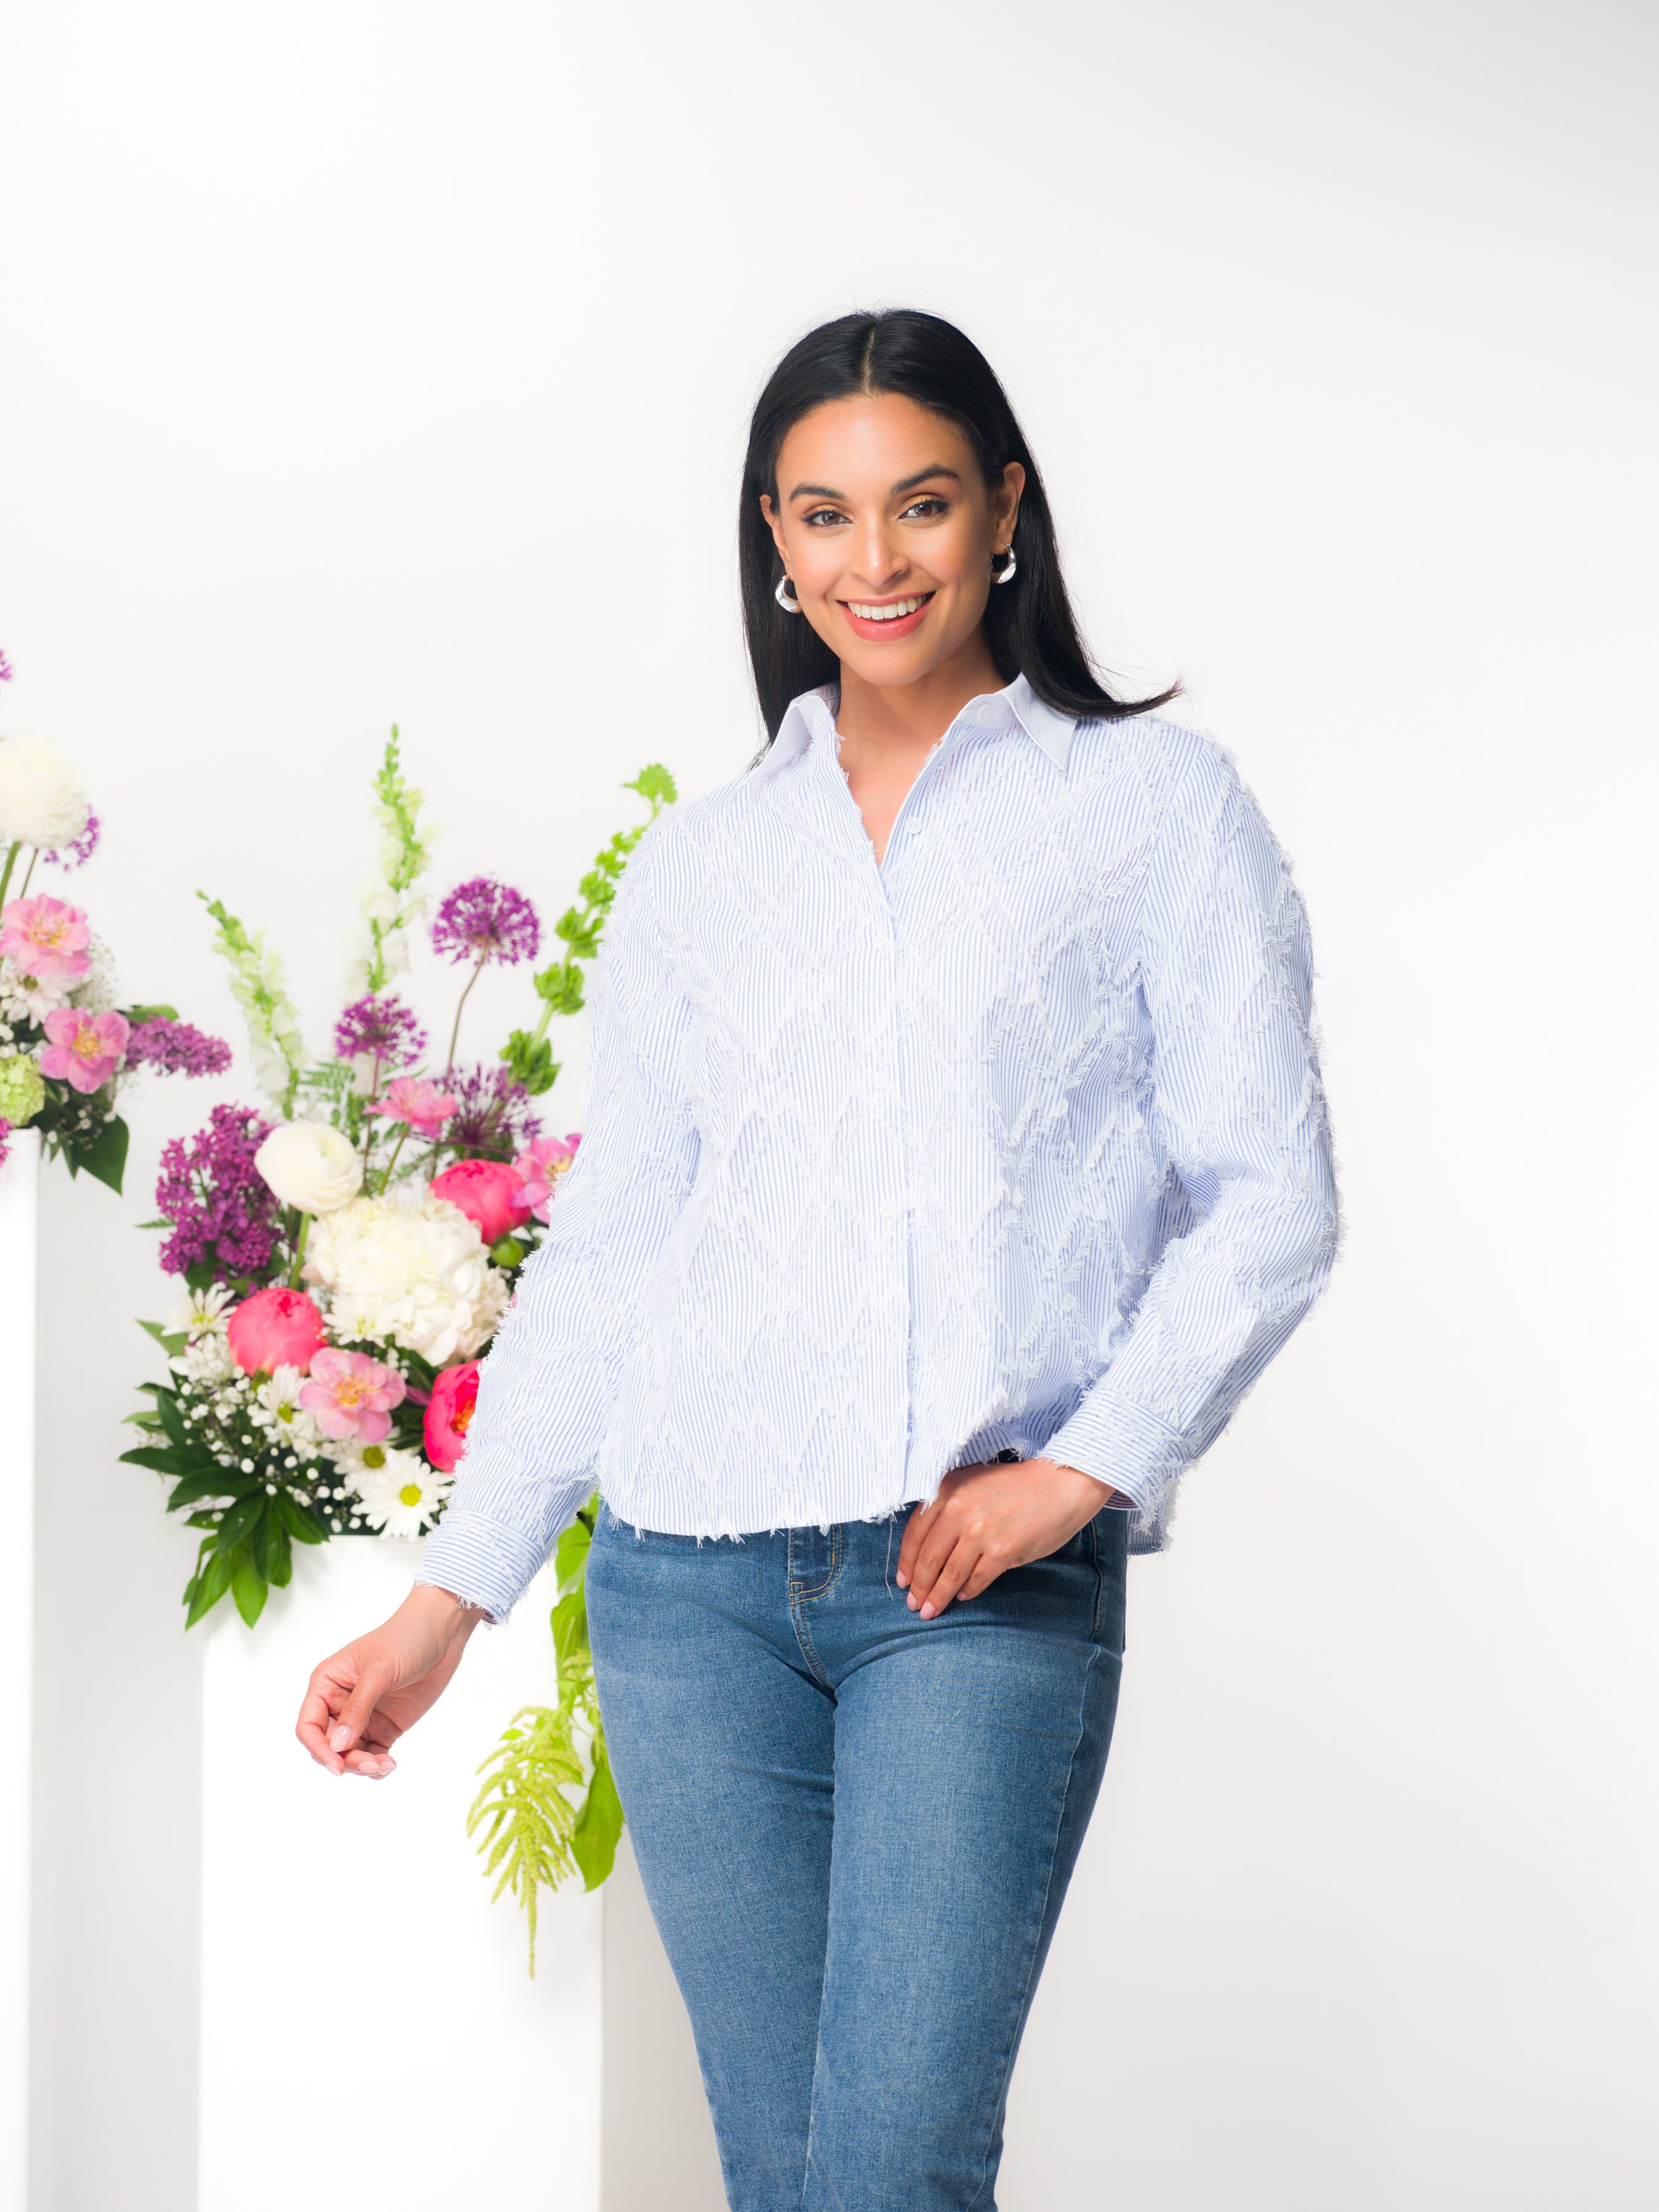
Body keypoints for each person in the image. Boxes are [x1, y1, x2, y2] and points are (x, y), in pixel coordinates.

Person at [297, 308, 1338, 2211]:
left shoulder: (1153, 811)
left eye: (921, 504)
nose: (876, 559)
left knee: (890, 2168)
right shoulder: (705, 867)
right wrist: (446, 1603)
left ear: (1002, 510)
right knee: (782, 2181)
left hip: (969, 1583)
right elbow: (617, 1250)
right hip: (684, 1589)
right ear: (773, 539)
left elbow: (1270, 1195)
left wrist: (1081, 1471)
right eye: (824, 513)